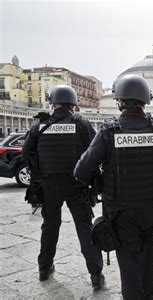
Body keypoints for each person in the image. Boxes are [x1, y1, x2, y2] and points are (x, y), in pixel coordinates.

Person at [74, 74, 153, 299]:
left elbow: (81, 171)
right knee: (149, 253)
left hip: (120, 209)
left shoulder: (109, 131)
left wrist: (97, 181)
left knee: (128, 259)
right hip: (151, 205)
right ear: (144, 100)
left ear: (120, 101)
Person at [22, 85, 104, 287]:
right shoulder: (82, 124)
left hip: (49, 185)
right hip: (77, 184)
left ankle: (44, 269)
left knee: (49, 227)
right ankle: (95, 275)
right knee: (85, 229)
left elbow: (26, 155)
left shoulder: (39, 126)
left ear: (53, 104)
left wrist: (40, 174)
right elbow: (95, 154)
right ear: (73, 104)